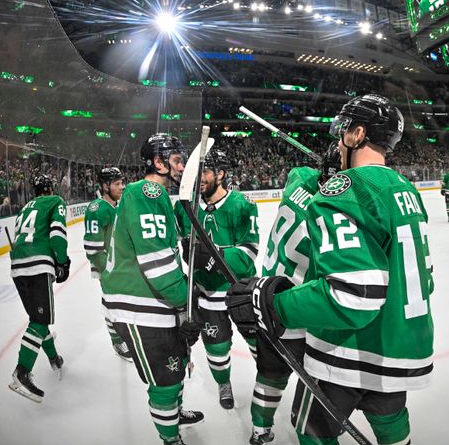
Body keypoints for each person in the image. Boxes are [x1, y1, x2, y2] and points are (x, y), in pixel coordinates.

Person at [227, 94, 434, 445]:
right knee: (394, 428)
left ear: (357, 134)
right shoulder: (405, 190)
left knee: (311, 432)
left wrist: (273, 304)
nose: (338, 142)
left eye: (343, 132)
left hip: (348, 350)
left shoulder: (344, 190)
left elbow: (353, 294)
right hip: (400, 344)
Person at [105, 134, 203, 445]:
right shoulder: (146, 192)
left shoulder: (157, 196)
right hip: (139, 304)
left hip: (152, 301)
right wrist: (186, 305)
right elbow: (157, 263)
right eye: (175, 159)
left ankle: (175, 411)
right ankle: (170, 439)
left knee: (176, 366)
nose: (182, 165)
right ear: (158, 162)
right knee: (165, 380)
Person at [247, 142, 341, 445]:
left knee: (271, 374)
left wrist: (323, 168)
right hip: (299, 307)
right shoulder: (336, 209)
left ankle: (260, 429)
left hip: (266, 298)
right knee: (314, 382)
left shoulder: (298, 178)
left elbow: (302, 173)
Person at [174, 148, 260, 410]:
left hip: (239, 291)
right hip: (207, 295)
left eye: (206, 172)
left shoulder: (243, 205)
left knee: (261, 346)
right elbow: (179, 250)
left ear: (221, 174)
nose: (200, 178)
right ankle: (224, 383)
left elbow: (249, 253)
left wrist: (214, 256)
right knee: (217, 350)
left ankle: (268, 387)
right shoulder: (184, 209)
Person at [8, 174, 70, 403]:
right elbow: (57, 234)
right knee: (40, 321)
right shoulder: (55, 202)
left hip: (17, 266)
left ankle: (55, 358)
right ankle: (22, 371)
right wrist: (62, 261)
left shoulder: (24, 209)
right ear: (51, 188)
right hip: (38, 265)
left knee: (37, 320)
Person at [83, 166, 130, 359]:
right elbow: (93, 250)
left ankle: (125, 335)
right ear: (104, 186)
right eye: (118, 184)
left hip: (122, 265)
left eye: (122, 183)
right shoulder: (97, 209)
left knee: (125, 304)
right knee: (112, 305)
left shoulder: (118, 205)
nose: (122, 187)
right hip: (108, 267)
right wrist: (109, 271)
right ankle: (117, 342)